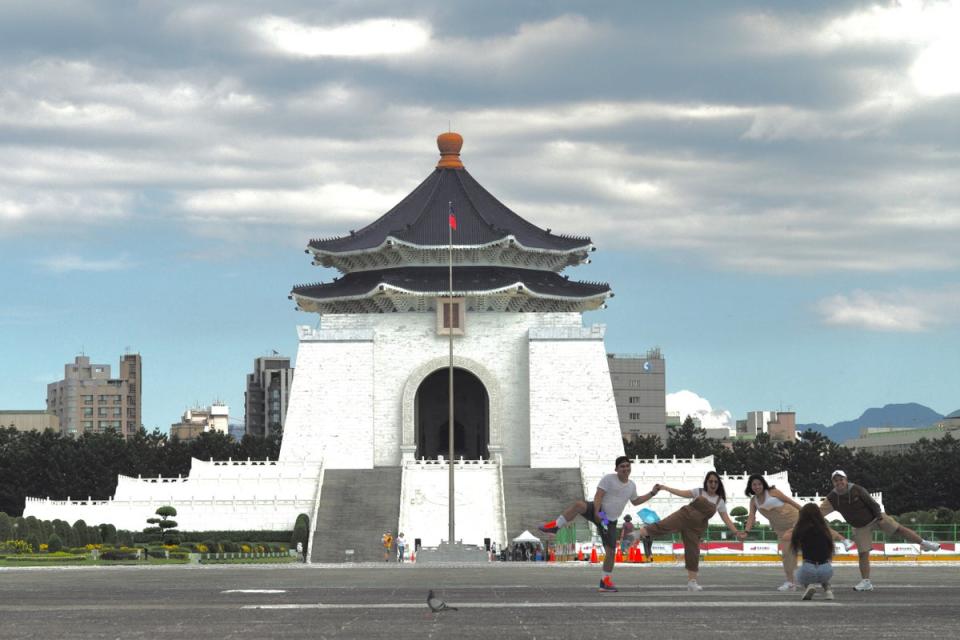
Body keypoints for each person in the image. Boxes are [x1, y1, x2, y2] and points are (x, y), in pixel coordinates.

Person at [539, 455, 657, 592]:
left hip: (609, 520)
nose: (625, 468)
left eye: (627, 466)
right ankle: (555, 526)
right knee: (578, 505)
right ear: (616, 469)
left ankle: (605, 581)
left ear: (630, 468)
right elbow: (598, 496)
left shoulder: (631, 486)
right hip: (600, 511)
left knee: (611, 551)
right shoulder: (609, 479)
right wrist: (596, 513)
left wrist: (652, 493)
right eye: (622, 466)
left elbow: (636, 501)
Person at [819, 470, 940, 591]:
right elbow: (818, 513)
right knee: (863, 554)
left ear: (846, 480)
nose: (839, 482)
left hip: (876, 518)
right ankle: (866, 582)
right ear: (832, 483)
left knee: (899, 529)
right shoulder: (831, 498)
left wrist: (880, 518)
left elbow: (874, 504)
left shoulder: (857, 489)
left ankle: (925, 543)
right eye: (836, 480)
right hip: (860, 527)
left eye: (841, 479)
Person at [634, 471, 746, 591]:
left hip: (696, 527)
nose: (713, 484)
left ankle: (692, 583)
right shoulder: (698, 492)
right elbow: (681, 493)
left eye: (715, 482)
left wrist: (736, 532)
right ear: (706, 483)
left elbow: (726, 519)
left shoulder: (720, 501)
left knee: (693, 552)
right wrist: (665, 488)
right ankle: (633, 535)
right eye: (710, 481)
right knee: (660, 526)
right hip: (683, 516)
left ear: (719, 484)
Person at [743, 473, 853, 591]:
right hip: (781, 529)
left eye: (759, 484)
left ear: (763, 484)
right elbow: (751, 517)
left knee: (819, 528)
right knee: (786, 554)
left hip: (794, 518)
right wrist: (746, 531)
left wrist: (805, 512)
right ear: (750, 487)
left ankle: (844, 540)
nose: (757, 487)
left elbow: (790, 501)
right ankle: (790, 582)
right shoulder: (753, 501)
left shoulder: (772, 492)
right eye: (754, 485)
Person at [792, 503, 835, 601]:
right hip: (826, 570)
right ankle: (828, 591)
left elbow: (788, 538)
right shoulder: (825, 530)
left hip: (808, 568)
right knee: (823, 576)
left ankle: (809, 586)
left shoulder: (800, 529)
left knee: (797, 573)